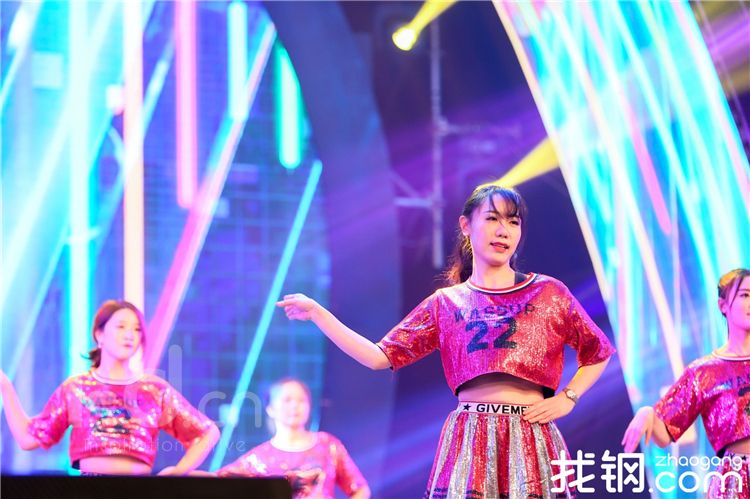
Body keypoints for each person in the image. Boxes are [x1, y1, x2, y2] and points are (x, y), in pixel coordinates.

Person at [276, 183, 615, 498]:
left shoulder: (548, 292)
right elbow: (379, 356)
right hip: (470, 438)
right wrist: (319, 314)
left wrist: (569, 397)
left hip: (531, 434)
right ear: (466, 225)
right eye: (492, 218)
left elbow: (598, 351)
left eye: (513, 222)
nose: (503, 230)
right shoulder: (447, 303)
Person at [0, 299, 219, 475]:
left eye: (136, 329)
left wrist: (178, 472)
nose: (129, 334)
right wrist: (5, 386)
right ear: (100, 334)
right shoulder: (76, 388)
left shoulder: (153, 389)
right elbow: (28, 438)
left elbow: (208, 432)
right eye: (121, 326)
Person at [622, 268, 750, 497]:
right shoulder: (703, 372)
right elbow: (665, 433)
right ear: (723, 306)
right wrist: (647, 413)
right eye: (745, 295)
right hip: (736, 482)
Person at [216, 377, 370, 499]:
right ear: (270, 408)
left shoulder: (327, 444)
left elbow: (360, 488)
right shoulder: (258, 457)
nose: (295, 405)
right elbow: (217, 482)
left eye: (302, 400)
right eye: (287, 400)